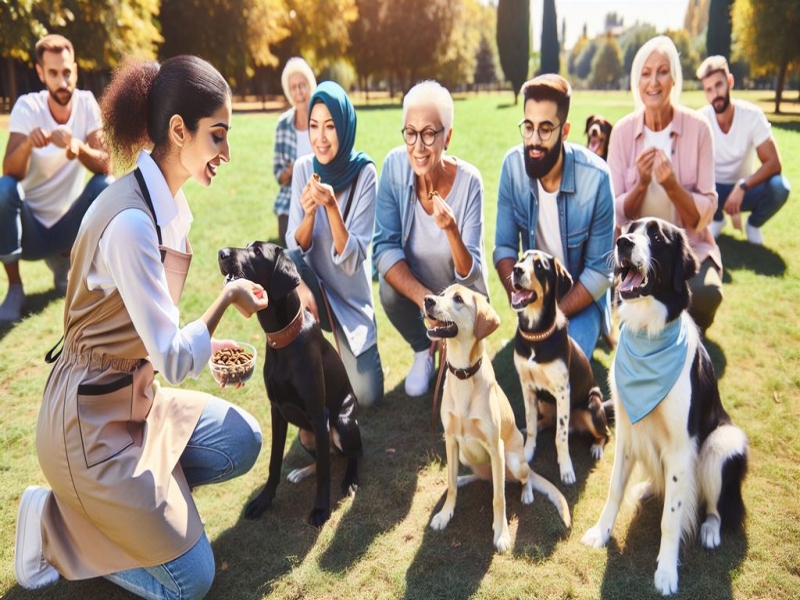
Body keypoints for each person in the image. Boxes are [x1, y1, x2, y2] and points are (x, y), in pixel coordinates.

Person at [13, 55, 269, 600]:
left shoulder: (166, 204)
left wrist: (208, 344)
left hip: (138, 404)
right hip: (87, 428)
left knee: (241, 440)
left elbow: (157, 339)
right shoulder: (131, 222)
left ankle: (145, 515)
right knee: (191, 583)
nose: (226, 152)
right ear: (179, 130)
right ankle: (52, 528)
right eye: (217, 136)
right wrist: (226, 297)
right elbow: (175, 357)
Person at [374, 80, 489, 397]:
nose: (418, 146)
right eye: (410, 132)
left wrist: (451, 229)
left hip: (462, 297)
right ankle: (423, 348)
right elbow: (383, 249)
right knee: (388, 287)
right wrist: (430, 305)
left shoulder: (470, 182)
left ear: (447, 136)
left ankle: (458, 346)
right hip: (423, 292)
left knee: (467, 392)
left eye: (428, 133)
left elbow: (472, 273)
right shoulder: (395, 167)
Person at [494, 74, 615, 360]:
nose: (534, 140)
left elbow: (600, 272)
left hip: (583, 302)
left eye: (546, 129)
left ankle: (598, 331)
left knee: (559, 369)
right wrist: (525, 300)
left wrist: (554, 314)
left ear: (566, 130)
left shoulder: (596, 178)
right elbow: (504, 250)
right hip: (535, 298)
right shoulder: (512, 167)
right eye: (528, 127)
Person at [608, 35, 722, 333]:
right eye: (645, 73)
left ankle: (690, 335)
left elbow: (706, 211)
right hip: (635, 251)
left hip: (687, 249)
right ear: (637, 81)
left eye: (662, 71)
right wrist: (641, 185)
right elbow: (616, 212)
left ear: (675, 79)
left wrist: (672, 185)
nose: (653, 82)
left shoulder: (699, 129)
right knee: (625, 294)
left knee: (707, 292)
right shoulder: (621, 132)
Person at [0, 34, 112, 323]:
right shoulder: (28, 107)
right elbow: (8, 172)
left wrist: (78, 148)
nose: (62, 82)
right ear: (41, 73)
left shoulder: (87, 104)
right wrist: (27, 145)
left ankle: (76, 268)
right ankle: (15, 288)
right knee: (3, 189)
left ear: (74, 69)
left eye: (66, 72)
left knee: (106, 186)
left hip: (68, 230)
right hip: (30, 233)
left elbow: (106, 165)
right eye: (53, 73)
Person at [286, 80, 384, 407]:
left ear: (344, 126)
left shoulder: (365, 173)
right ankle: (302, 358)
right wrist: (310, 214)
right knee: (282, 266)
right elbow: (294, 245)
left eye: (330, 126)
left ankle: (342, 357)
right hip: (312, 289)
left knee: (368, 397)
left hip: (349, 297)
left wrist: (331, 207)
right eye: (314, 126)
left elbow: (354, 258)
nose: (320, 137)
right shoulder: (303, 168)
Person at [696, 55, 791, 245]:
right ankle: (716, 219)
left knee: (780, 188)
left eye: (719, 85)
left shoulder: (752, 115)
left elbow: (774, 163)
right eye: (709, 89)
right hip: (712, 191)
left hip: (746, 190)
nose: (715, 94)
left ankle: (753, 225)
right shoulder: (700, 120)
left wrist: (742, 186)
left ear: (730, 81)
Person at [272, 57, 317, 246]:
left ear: (310, 85)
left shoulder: (320, 118)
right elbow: (278, 174)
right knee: (289, 246)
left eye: (302, 85)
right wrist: (291, 172)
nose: (298, 92)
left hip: (318, 192)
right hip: (290, 197)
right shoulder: (283, 124)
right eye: (293, 87)